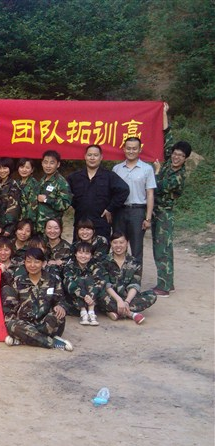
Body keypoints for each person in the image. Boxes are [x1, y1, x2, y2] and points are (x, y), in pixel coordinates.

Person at [152, 104, 190, 296]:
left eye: (180, 156)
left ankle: (164, 286)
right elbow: (167, 136)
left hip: (164, 214)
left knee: (163, 249)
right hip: (156, 212)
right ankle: (168, 282)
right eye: (175, 154)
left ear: (185, 159)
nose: (176, 157)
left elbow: (159, 186)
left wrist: (157, 172)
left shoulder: (179, 176)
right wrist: (163, 113)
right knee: (161, 247)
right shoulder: (169, 162)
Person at [2, 247, 72, 351]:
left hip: (46, 323)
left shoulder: (53, 280)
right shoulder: (18, 281)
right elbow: (11, 307)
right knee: (12, 325)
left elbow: (61, 299)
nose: (32, 265)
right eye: (29, 261)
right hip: (25, 323)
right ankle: (52, 343)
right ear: (24, 263)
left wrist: (61, 306)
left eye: (36, 262)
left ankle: (23, 339)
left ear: (43, 263)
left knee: (58, 316)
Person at [67, 144, 129, 240]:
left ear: (101, 157)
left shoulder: (109, 176)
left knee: (101, 248)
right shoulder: (75, 177)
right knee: (80, 249)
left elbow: (124, 190)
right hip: (81, 224)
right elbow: (66, 193)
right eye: (89, 155)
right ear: (85, 156)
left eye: (95, 155)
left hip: (101, 223)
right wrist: (77, 205)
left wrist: (110, 208)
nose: (92, 158)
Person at [113, 137, 157, 265]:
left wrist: (148, 218)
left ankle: (135, 276)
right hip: (119, 211)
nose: (131, 151)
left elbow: (150, 194)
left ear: (139, 150)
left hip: (137, 211)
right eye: (128, 148)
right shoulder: (116, 169)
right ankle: (119, 275)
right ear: (124, 149)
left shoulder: (147, 169)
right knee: (118, 245)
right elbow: (112, 192)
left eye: (134, 148)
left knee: (136, 247)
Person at [99, 232, 157, 324]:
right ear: (111, 244)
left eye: (121, 242)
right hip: (110, 296)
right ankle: (130, 314)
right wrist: (118, 300)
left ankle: (113, 311)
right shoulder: (103, 261)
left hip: (127, 297)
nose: (118, 246)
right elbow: (106, 285)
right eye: (115, 242)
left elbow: (135, 285)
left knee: (152, 295)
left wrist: (126, 302)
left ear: (127, 243)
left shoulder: (135, 262)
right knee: (98, 296)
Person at [63, 241, 106, 326]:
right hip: (74, 300)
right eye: (80, 253)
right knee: (79, 280)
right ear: (75, 254)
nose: (83, 256)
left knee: (89, 280)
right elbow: (69, 284)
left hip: (92, 299)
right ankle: (83, 312)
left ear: (91, 256)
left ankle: (91, 312)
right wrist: (84, 295)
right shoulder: (69, 267)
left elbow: (100, 282)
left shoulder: (95, 266)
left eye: (87, 253)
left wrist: (91, 296)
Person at [35, 150, 72, 233]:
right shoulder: (42, 179)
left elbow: (65, 204)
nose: (48, 166)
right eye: (45, 162)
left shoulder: (61, 182)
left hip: (51, 228)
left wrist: (46, 200)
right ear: (42, 163)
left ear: (58, 164)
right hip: (38, 225)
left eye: (52, 163)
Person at [0, 158, 22, 237]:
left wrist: (9, 229)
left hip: (7, 228)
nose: (2, 171)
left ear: (10, 169)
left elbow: (14, 209)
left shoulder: (13, 185)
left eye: (5, 168)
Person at [17, 158, 39, 224]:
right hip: (17, 219)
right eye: (22, 167)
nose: (24, 170)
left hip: (27, 221)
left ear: (32, 170)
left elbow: (33, 207)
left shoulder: (34, 184)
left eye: (27, 168)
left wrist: (28, 223)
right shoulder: (17, 182)